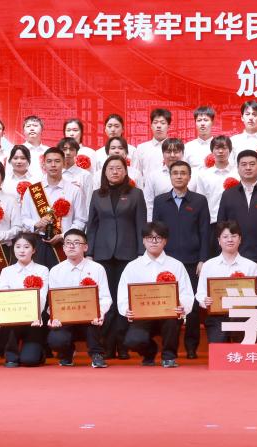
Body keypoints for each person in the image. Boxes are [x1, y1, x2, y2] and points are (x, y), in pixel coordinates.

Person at [86, 155, 147, 358]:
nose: (115, 171)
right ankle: (106, 344)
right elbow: (92, 226)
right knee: (106, 299)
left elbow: (141, 225)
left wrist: (141, 254)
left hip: (128, 254)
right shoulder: (97, 195)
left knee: (124, 298)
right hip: (102, 254)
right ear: (104, 172)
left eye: (119, 168)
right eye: (111, 168)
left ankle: (123, 344)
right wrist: (89, 253)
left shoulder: (136, 194)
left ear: (125, 171)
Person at [116, 221, 194, 368]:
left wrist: (182, 306)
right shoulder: (132, 267)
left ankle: (169, 356)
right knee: (132, 341)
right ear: (143, 241)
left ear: (165, 241)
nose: (154, 241)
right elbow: (123, 295)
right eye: (149, 237)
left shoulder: (176, 265)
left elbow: (186, 293)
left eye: (158, 238)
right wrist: (127, 309)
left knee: (172, 320)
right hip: (143, 316)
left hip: (168, 316)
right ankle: (150, 351)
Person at [152, 160, 209, 359]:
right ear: (170, 176)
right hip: (167, 261)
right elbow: (155, 233)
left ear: (189, 177)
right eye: (175, 173)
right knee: (168, 304)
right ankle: (170, 347)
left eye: (183, 173)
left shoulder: (199, 201)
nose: (179, 176)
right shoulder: (160, 201)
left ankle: (191, 346)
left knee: (191, 305)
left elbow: (205, 232)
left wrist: (203, 259)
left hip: (192, 261)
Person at [47, 228, 112, 368]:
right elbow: (53, 300)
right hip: (66, 318)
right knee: (56, 339)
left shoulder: (97, 268)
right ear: (63, 247)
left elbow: (105, 297)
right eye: (68, 243)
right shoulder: (55, 271)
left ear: (85, 247)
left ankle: (97, 354)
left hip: (91, 319)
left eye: (76, 242)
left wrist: (100, 312)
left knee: (96, 319)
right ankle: (67, 353)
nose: (71, 246)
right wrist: (53, 316)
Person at [216, 150, 257, 283]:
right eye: (244, 164)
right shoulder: (228, 194)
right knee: (235, 293)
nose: (248, 168)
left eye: (252, 164)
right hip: (234, 257)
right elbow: (220, 226)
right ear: (237, 168)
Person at [20, 147, 88, 267]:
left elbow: (80, 220)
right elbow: (24, 218)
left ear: (64, 164)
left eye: (57, 161)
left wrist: (63, 236)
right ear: (43, 164)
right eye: (49, 161)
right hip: (37, 243)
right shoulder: (32, 190)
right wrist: (36, 224)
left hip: (65, 245)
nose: (53, 165)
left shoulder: (74, 190)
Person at [0, 232, 49, 367]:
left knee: (30, 360)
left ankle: (40, 352)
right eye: (18, 247)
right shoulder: (6, 271)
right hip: (13, 319)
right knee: (12, 357)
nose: (22, 250)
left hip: (33, 320)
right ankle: (11, 353)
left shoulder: (42, 270)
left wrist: (36, 315)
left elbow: (42, 296)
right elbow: (2, 296)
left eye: (26, 247)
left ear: (33, 250)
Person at [196, 221, 257, 343]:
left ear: (240, 239)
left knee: (242, 349)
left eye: (234, 236)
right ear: (219, 240)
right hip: (217, 316)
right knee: (218, 348)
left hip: (242, 315)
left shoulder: (251, 266)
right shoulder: (208, 265)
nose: (230, 240)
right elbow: (200, 293)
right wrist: (205, 300)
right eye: (225, 237)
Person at [190, 135, 239, 224]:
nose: (220, 151)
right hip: (212, 221)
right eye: (217, 148)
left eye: (224, 148)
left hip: (236, 221)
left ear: (230, 150)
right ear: (212, 150)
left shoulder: (238, 173)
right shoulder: (204, 175)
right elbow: (200, 201)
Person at [142, 138, 186, 222]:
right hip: (161, 222)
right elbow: (148, 203)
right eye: (168, 152)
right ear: (163, 154)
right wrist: (150, 224)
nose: (172, 155)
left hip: (187, 221)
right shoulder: (153, 176)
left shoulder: (193, 175)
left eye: (176, 152)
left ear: (182, 153)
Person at [58, 137, 93, 214]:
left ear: (76, 152)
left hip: (80, 216)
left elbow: (89, 201)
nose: (68, 152)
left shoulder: (85, 175)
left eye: (71, 149)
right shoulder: (54, 174)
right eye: (64, 149)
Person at [135, 108, 172, 179]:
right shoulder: (141, 148)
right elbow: (136, 173)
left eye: (163, 123)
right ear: (151, 126)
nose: (158, 126)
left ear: (168, 127)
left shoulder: (175, 148)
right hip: (146, 185)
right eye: (155, 122)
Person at [185, 106, 216, 171]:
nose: (202, 123)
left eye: (206, 120)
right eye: (199, 120)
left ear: (213, 122)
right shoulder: (187, 147)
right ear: (195, 123)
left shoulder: (220, 146)